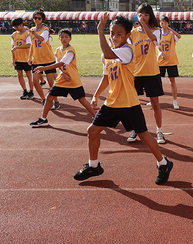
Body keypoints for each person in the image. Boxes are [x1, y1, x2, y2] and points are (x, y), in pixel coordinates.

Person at [73, 13, 173, 185]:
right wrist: (96, 95)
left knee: (143, 135)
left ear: (128, 36)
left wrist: (99, 31)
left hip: (128, 103)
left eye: (119, 34)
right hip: (111, 102)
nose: (114, 36)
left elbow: (108, 53)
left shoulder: (127, 50)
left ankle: (163, 163)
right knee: (92, 131)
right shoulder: (108, 55)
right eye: (112, 33)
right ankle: (94, 165)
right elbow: (106, 78)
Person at [30, 29, 96, 127]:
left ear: (70, 38)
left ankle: (95, 117)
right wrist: (62, 73)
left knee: (82, 100)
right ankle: (43, 119)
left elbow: (61, 63)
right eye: (62, 37)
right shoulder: (57, 50)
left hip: (72, 79)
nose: (64, 39)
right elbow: (58, 65)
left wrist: (44, 68)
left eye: (66, 37)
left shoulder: (70, 50)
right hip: (62, 79)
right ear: (59, 38)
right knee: (49, 97)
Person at [129, 3, 166, 144]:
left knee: (155, 104)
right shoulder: (132, 33)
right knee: (133, 105)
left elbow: (152, 38)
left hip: (151, 72)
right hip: (136, 73)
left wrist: (143, 25)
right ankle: (136, 129)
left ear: (150, 16)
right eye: (140, 14)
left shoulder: (156, 30)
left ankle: (159, 131)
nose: (143, 17)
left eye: (146, 14)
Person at [28, 9, 59, 109]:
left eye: (39, 18)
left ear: (42, 19)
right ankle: (43, 99)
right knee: (35, 82)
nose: (36, 20)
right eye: (35, 18)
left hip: (48, 60)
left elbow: (42, 39)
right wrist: (29, 57)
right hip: (37, 60)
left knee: (51, 83)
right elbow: (32, 45)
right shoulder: (32, 30)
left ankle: (56, 101)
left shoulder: (45, 29)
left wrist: (32, 33)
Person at [157, 16, 181, 110]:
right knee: (156, 82)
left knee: (172, 82)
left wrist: (170, 29)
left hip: (171, 61)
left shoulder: (171, 34)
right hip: (160, 61)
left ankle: (175, 101)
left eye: (165, 22)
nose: (163, 24)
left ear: (168, 23)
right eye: (162, 22)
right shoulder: (158, 34)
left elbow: (179, 36)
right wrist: (161, 53)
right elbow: (156, 45)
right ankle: (154, 100)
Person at [10, 17, 34, 100]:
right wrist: (13, 59)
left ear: (21, 25)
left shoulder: (27, 33)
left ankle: (31, 91)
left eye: (17, 27)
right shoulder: (14, 35)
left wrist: (17, 47)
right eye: (14, 27)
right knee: (19, 75)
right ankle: (24, 90)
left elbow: (29, 45)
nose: (16, 29)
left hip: (26, 58)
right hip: (18, 59)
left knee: (29, 75)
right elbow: (12, 48)